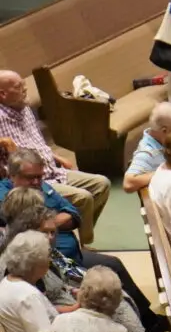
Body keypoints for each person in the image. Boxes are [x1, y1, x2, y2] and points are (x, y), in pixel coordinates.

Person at [1, 150, 169, 332]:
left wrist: (48, 222)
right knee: (106, 283)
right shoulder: (9, 196)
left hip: (69, 253)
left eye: (40, 177)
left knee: (114, 264)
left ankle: (149, 322)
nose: (36, 182)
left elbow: (74, 215)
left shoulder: (43, 187)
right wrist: (48, 224)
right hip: (55, 264)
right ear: (12, 176)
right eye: (30, 178)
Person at [0, 203, 171, 332]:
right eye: (45, 232)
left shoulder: (45, 255)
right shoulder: (29, 271)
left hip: (67, 300)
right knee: (112, 302)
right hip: (64, 321)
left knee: (112, 290)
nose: (50, 237)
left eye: (53, 232)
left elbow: (62, 280)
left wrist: (76, 291)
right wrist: (77, 305)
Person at [0, 70, 110, 246]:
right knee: (84, 198)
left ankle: (79, 234)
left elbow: (35, 141)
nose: (25, 89)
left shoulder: (24, 107)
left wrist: (56, 156)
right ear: (3, 94)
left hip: (52, 169)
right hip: (33, 179)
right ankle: (83, 245)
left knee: (102, 184)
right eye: (19, 86)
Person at [0, 230, 56, 332]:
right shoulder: (28, 297)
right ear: (36, 263)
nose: (50, 260)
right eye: (47, 256)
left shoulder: (7, 283)